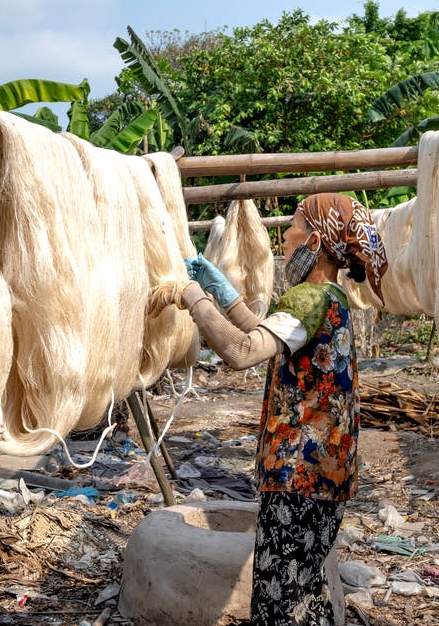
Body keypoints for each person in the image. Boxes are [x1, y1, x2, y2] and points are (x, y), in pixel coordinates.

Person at [149, 193, 389, 626]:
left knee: (277, 606)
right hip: (325, 474)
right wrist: (221, 292)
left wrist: (191, 297)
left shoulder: (310, 300)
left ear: (314, 240)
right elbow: (266, 333)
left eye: (294, 226)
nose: (286, 236)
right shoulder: (329, 300)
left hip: (299, 476)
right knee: (304, 594)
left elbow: (242, 351)